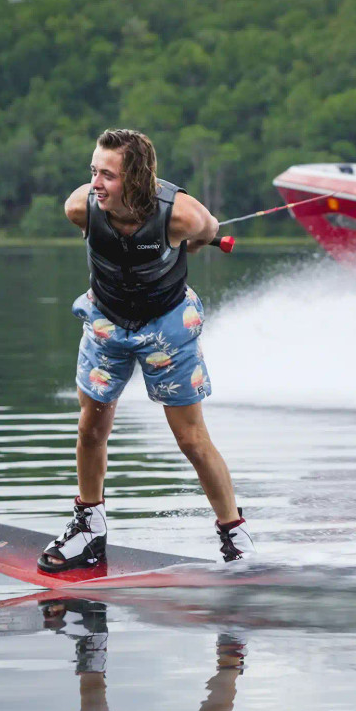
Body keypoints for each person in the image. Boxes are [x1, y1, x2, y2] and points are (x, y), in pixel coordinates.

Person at [38, 128, 255, 573]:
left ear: (135, 179)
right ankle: (89, 528)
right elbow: (88, 203)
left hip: (167, 327)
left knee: (191, 439)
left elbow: (206, 234)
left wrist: (186, 247)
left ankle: (235, 535)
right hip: (107, 320)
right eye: (93, 171)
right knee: (91, 425)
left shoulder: (182, 216)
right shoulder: (80, 208)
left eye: (108, 176)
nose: (96, 183)